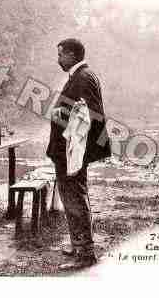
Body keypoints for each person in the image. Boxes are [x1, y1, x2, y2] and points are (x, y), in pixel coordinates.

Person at [46, 38, 112, 270]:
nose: (58, 59)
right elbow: (80, 110)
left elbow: (90, 115)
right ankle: (79, 246)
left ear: (73, 55)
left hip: (72, 151)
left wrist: (58, 115)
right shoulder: (82, 76)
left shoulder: (83, 77)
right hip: (70, 150)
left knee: (74, 199)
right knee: (74, 197)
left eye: (61, 54)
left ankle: (84, 254)